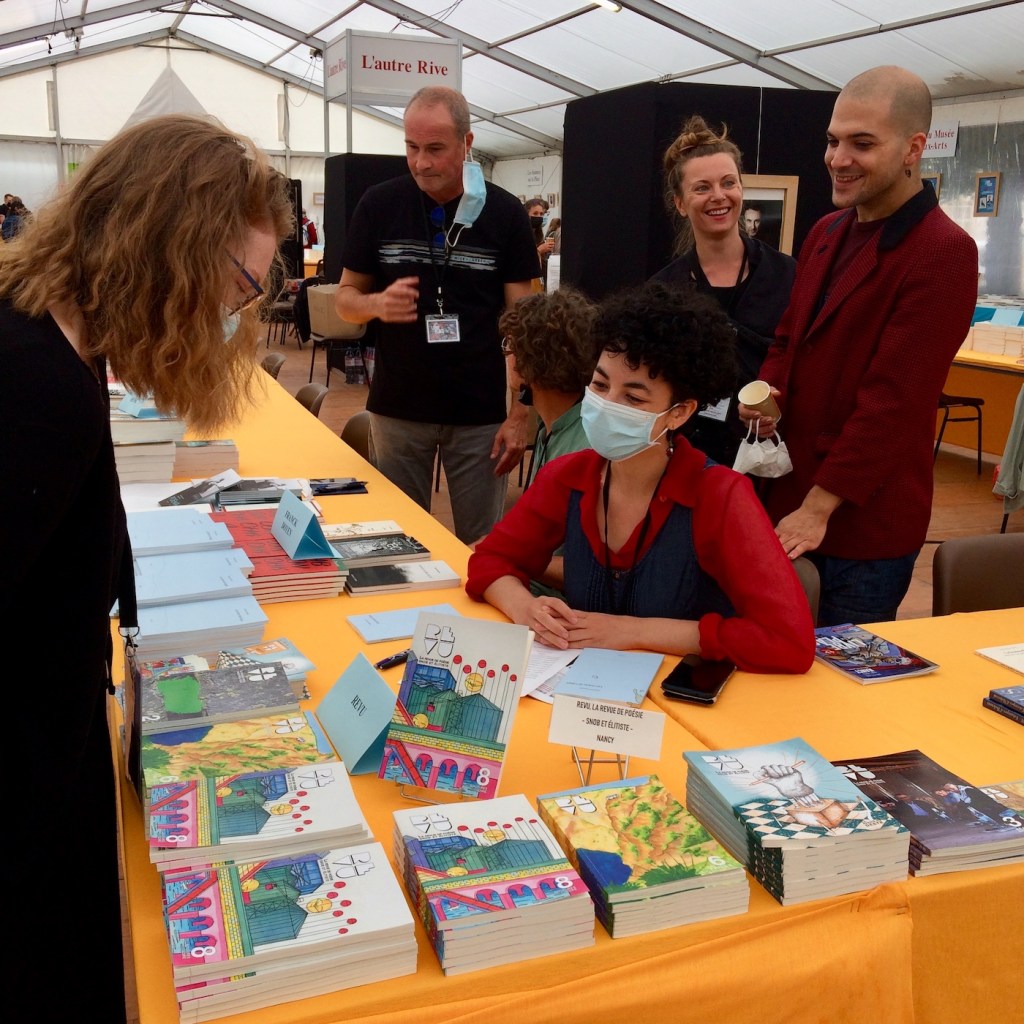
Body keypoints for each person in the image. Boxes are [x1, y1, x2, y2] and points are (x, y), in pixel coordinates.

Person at [0, 114, 292, 1022]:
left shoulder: (55, 347)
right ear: (174, 250)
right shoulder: (37, 385)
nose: (234, 316)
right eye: (240, 285)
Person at [467, 281, 815, 672]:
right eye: (599, 385)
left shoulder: (720, 495)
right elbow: (490, 559)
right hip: (587, 693)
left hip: (684, 702)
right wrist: (525, 607)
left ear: (679, 413)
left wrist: (633, 632)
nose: (606, 404)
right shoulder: (569, 476)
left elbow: (790, 643)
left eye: (633, 398)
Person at [738, 65, 979, 627]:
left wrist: (818, 507)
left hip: (859, 525)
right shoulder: (827, 232)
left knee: (836, 690)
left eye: (862, 143)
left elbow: (894, 404)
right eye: (833, 140)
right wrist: (766, 394)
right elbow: (787, 336)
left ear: (913, 148)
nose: (838, 157)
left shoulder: (943, 251)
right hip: (790, 497)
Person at [336, 86, 538, 544]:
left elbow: (525, 323)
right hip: (398, 409)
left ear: (467, 144)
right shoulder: (379, 204)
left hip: (480, 415)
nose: (421, 162)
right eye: (411, 147)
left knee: (482, 546)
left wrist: (521, 413)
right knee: (397, 540)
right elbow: (345, 297)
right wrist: (373, 305)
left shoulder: (505, 213)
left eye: (435, 149)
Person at [651, 116, 796, 469]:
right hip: (691, 461)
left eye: (728, 183)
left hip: (771, 462)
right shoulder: (664, 292)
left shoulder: (788, 276)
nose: (718, 196)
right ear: (681, 203)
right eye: (701, 187)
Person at [498, 287, 598, 596]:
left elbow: (593, 571)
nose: (506, 354)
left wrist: (504, 552)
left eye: (509, 345)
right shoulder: (556, 424)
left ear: (526, 362)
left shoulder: (584, 446)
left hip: (559, 609)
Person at [525, 196, 555, 277]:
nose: (539, 216)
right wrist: (540, 250)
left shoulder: (538, 232)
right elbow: (522, 258)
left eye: (541, 214)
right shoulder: (522, 233)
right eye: (535, 213)